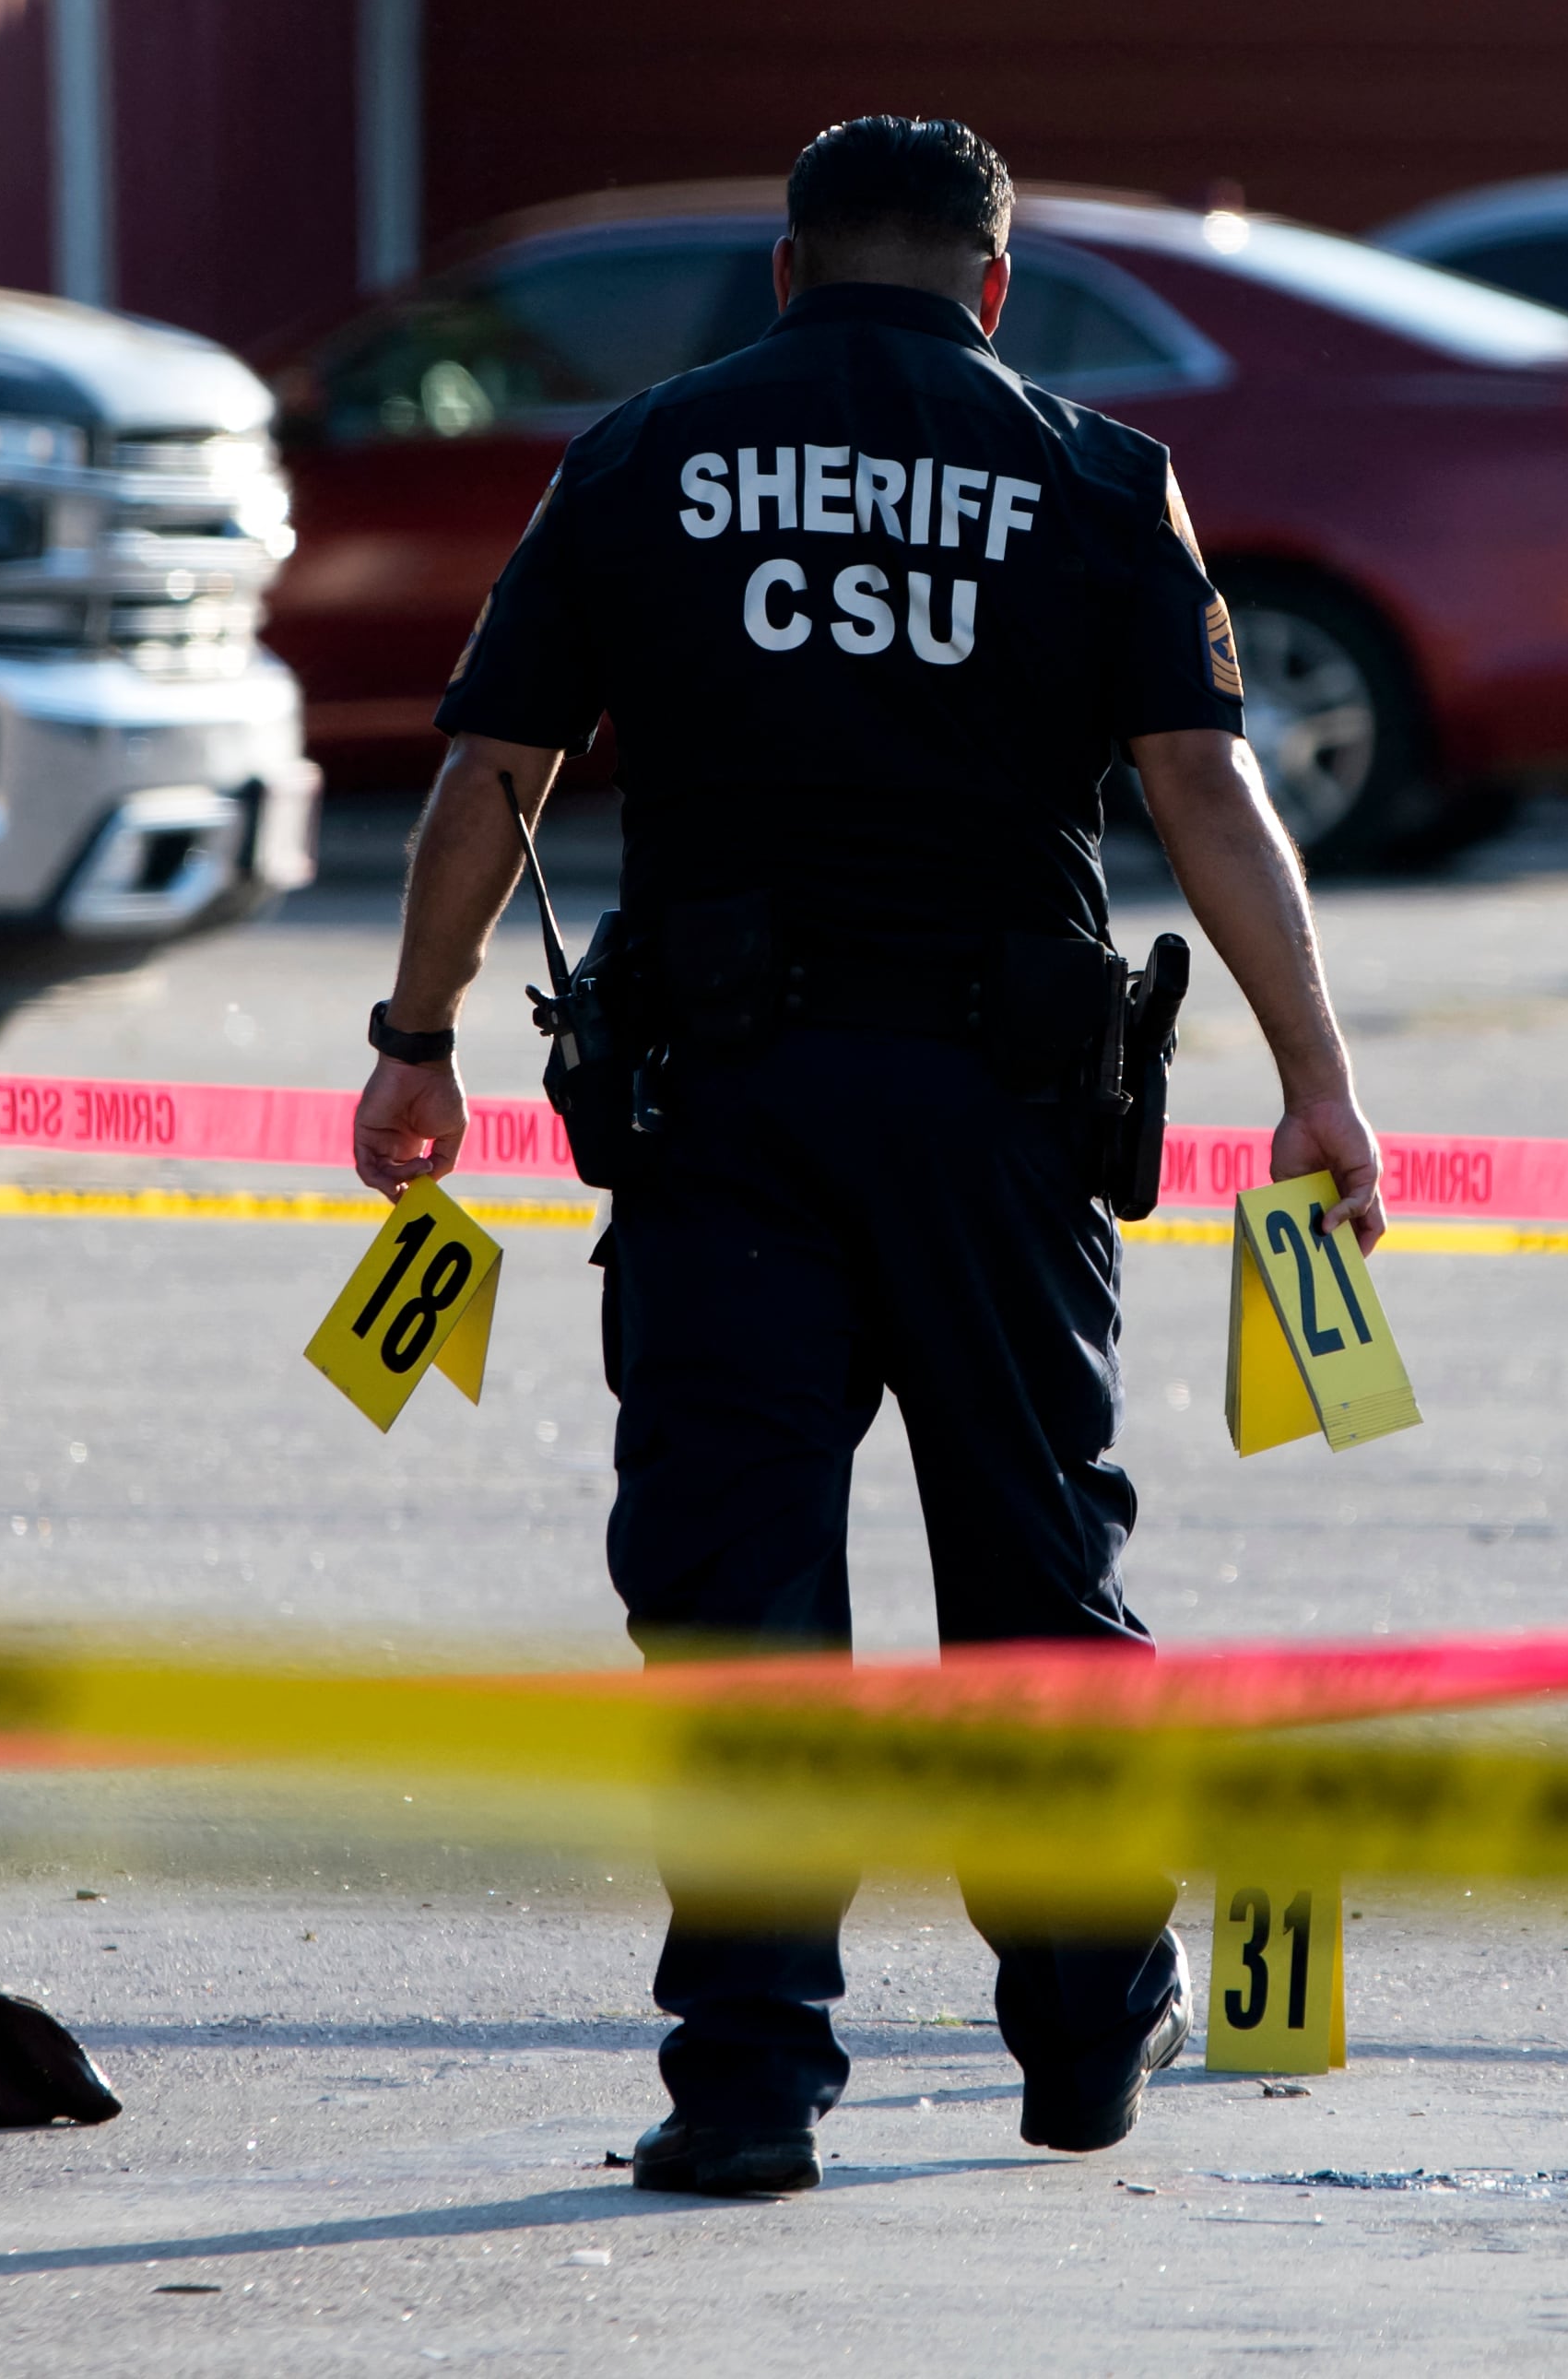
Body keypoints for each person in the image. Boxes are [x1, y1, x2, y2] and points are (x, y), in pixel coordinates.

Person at [349, 115, 1386, 2198]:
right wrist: (1318, 1075)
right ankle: (1087, 2031)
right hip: (1001, 1119)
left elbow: (494, 768)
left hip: (723, 1120)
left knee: (734, 1600)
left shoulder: (645, 456)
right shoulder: (1099, 476)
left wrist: (417, 1039)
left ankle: (744, 2082)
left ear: (788, 277)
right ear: (995, 291)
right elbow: (1206, 791)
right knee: (1035, 1576)